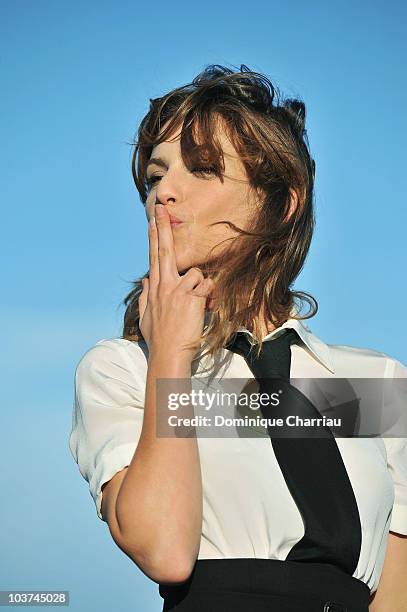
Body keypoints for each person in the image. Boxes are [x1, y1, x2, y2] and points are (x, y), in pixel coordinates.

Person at [68, 64, 407, 611]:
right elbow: (165, 550)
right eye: (156, 176)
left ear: (282, 201)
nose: (165, 193)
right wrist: (173, 359)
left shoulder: (373, 383)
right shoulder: (123, 369)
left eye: (202, 170)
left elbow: (396, 591)